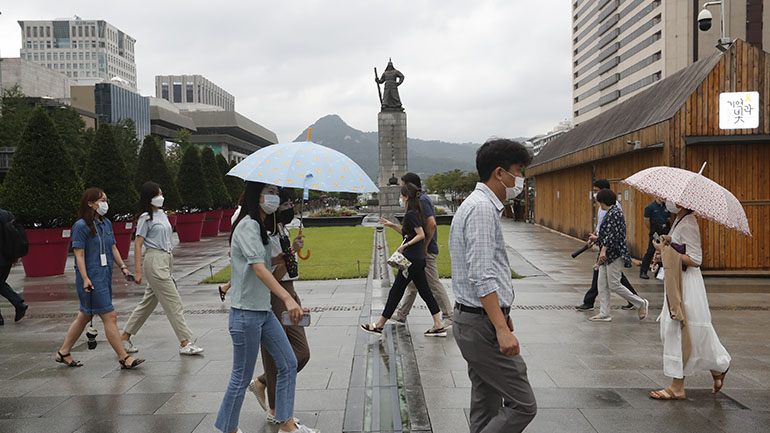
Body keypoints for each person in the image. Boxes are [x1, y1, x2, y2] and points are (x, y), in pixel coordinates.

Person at [448, 138, 537, 433]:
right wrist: (500, 327)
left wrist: (501, 313)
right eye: (518, 171)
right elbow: (482, 275)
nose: (520, 179)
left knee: (486, 402)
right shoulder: (482, 209)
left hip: (477, 319)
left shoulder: (478, 205)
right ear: (500, 173)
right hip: (480, 325)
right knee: (523, 404)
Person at [215, 181, 317, 433]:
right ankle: (228, 429)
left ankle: (286, 425)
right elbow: (259, 270)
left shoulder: (260, 226)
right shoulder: (248, 225)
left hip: (263, 312)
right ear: (256, 195)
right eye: (270, 192)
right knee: (241, 377)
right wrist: (287, 298)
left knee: (288, 363)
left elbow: (260, 262)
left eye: (276, 193)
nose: (276, 197)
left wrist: (280, 257)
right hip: (246, 314)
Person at [55, 188, 144, 369]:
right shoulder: (81, 226)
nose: (105, 204)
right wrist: (85, 278)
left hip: (104, 275)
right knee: (109, 315)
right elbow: (79, 255)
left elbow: (113, 247)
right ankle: (123, 358)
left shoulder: (106, 223)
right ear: (90, 203)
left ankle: (63, 352)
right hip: (91, 278)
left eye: (105, 200)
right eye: (101, 200)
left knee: (85, 316)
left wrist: (123, 268)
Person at [649, 200, 731, 400]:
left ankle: (677, 386)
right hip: (677, 281)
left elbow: (695, 259)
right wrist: (662, 251)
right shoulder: (680, 220)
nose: (668, 202)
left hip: (686, 284)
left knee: (678, 329)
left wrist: (665, 251)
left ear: (682, 202)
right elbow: (678, 250)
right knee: (692, 329)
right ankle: (719, 366)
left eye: (671, 199)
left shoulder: (688, 223)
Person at [248, 189, 311, 425]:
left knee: (301, 352)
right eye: (284, 204)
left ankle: (262, 382)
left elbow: (285, 263)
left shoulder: (281, 229)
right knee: (274, 354)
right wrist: (289, 253)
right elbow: (267, 273)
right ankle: (276, 409)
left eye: (289, 203)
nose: (288, 208)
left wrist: (293, 250)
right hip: (275, 295)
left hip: (289, 292)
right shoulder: (263, 232)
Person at [120, 182, 203, 356]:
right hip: (154, 260)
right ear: (149, 197)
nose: (161, 197)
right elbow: (138, 244)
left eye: (161, 193)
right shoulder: (145, 218)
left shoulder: (162, 214)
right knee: (174, 302)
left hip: (166, 259)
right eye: (157, 194)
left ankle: (124, 337)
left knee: (148, 303)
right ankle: (185, 341)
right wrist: (137, 271)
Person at [362, 183, 447, 337]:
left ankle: (379, 325)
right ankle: (438, 324)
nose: (400, 198)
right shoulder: (416, 212)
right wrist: (392, 225)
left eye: (401, 195)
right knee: (425, 292)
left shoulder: (411, 214)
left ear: (406, 197)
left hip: (411, 261)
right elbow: (408, 234)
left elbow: (420, 235)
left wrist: (404, 246)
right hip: (418, 259)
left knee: (396, 291)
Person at [391, 172, 453, 327]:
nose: (402, 191)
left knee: (433, 283)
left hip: (425, 251)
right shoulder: (420, 199)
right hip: (419, 251)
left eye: (403, 186)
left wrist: (425, 246)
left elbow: (431, 224)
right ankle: (402, 314)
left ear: (409, 185)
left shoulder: (422, 200)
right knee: (412, 284)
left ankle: (449, 315)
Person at [575, 179, 639, 311]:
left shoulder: (614, 209)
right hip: (603, 243)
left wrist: (603, 249)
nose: (595, 194)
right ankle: (629, 300)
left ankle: (590, 301)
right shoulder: (603, 207)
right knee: (608, 278)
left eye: (596, 191)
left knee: (608, 279)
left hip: (610, 248)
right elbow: (601, 225)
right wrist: (594, 236)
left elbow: (612, 232)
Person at [588, 189, 649, 322]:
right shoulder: (611, 212)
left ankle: (640, 302)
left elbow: (613, 235)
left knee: (614, 284)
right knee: (602, 284)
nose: (599, 204)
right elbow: (608, 234)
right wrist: (597, 239)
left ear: (603, 201)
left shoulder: (615, 213)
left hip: (614, 254)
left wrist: (603, 250)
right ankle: (604, 313)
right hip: (608, 254)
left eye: (599, 202)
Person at [0, 207, 28, 326]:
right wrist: (15, 255)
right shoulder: (7, 214)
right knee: (0, 284)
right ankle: (18, 303)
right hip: (7, 258)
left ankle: (18, 303)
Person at [639, 198, 671, 279]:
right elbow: (646, 220)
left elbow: (668, 219)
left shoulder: (666, 207)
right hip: (655, 230)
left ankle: (659, 272)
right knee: (651, 250)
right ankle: (643, 271)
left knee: (664, 251)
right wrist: (652, 230)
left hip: (664, 230)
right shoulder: (650, 207)